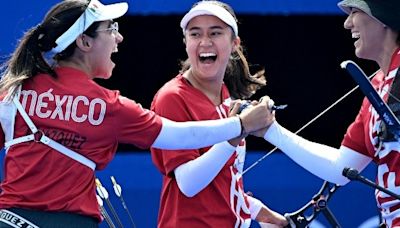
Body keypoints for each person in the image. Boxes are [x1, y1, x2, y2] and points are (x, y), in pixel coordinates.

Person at [0, 0, 274, 227]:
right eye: (111, 29)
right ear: (84, 42)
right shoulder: (110, 106)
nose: (119, 37)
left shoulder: (13, 92)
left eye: (216, 32)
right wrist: (239, 125)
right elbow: (180, 136)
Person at [253, 0, 400, 227]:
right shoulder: (378, 88)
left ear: (383, 17)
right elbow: (341, 168)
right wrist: (270, 130)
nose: (347, 23)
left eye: (355, 12)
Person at [150, 1, 288, 227]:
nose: (205, 42)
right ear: (186, 43)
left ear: (234, 43)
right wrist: (240, 128)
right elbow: (188, 183)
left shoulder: (225, 96)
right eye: (195, 34)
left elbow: (223, 183)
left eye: (215, 32)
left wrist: (266, 215)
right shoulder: (171, 98)